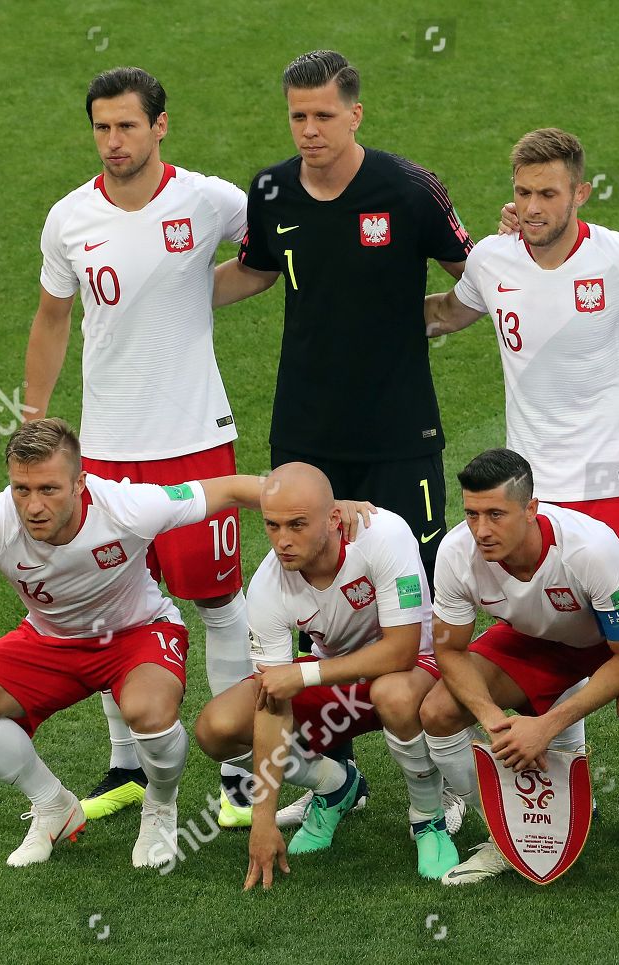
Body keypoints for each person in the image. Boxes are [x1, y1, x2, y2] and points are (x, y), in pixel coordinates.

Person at [424, 127, 619, 847]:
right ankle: (551, 773)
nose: (532, 207)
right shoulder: (493, 259)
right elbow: (449, 313)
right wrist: (366, 315)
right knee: (544, 624)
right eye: (523, 193)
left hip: (614, 479)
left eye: (547, 193)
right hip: (528, 487)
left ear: (580, 192)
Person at [21, 65, 255, 825]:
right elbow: (53, 316)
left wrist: (198, 290)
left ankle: (239, 776)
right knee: (111, 610)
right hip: (107, 455)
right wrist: (34, 415)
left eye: (127, 125)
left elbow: (270, 258)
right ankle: (126, 764)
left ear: (161, 126)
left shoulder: (209, 200)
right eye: (101, 126)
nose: (113, 140)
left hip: (195, 442)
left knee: (218, 604)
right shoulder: (68, 219)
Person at [0, 419, 274, 870]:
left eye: (49, 489)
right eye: (21, 489)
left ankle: (161, 806)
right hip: (52, 642)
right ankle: (54, 805)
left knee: (149, 714)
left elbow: (226, 489)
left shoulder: (128, 506)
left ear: (81, 484)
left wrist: (322, 502)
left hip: (138, 633)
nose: (33, 506)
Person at [213, 49, 473, 579]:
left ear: (355, 115)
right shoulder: (271, 190)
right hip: (306, 427)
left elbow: (480, 274)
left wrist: (441, 314)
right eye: (298, 116)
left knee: (415, 574)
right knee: (311, 570)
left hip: (399, 429)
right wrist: (160, 293)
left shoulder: (409, 189)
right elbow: (256, 269)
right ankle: (316, 667)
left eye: (323, 116)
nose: (309, 130)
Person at [418, 449, 619, 903]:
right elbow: (449, 651)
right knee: (437, 711)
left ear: (531, 509)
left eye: (495, 514)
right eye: (471, 514)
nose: (481, 530)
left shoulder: (589, 547)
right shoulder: (455, 553)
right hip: (544, 635)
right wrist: (495, 723)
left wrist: (548, 726)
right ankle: (505, 835)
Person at [194, 464, 459, 886]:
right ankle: (336, 785)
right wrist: (264, 819)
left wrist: (306, 676)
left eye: (297, 525)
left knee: (393, 692)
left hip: (417, 669)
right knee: (217, 726)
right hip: (339, 681)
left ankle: (428, 819)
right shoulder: (266, 587)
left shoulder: (384, 535)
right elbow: (273, 700)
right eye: (273, 525)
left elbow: (402, 650)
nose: (283, 540)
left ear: (334, 519)